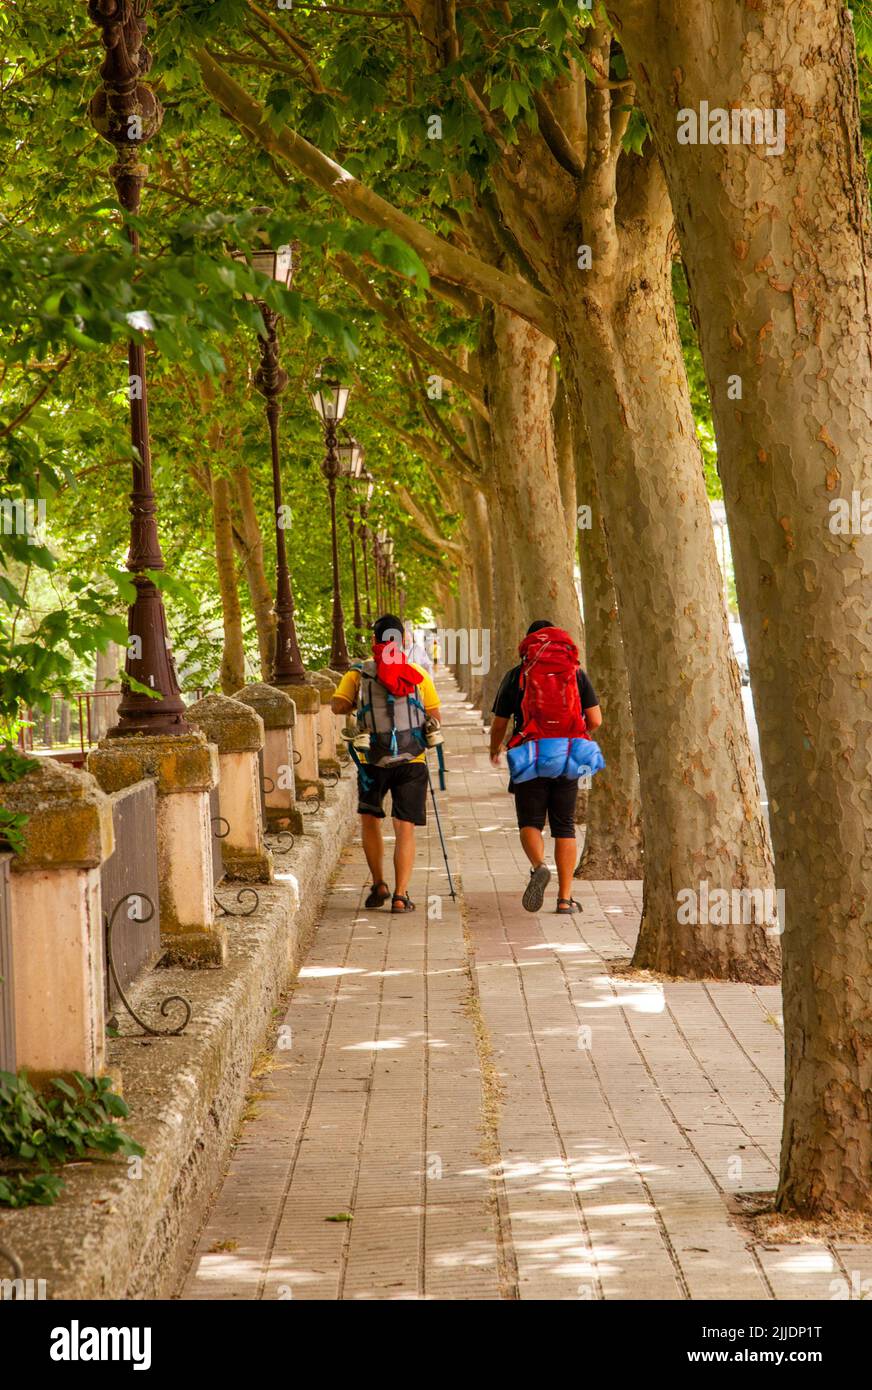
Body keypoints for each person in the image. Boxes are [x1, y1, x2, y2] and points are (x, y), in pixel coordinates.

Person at [489, 619, 602, 914]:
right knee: (564, 825)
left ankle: (539, 866)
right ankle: (565, 899)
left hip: (529, 755)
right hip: (567, 755)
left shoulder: (516, 675)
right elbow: (596, 720)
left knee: (530, 822)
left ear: (528, 645)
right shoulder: (575, 672)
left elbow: (500, 722)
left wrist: (495, 750)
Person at [332, 613, 441, 914]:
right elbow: (434, 717)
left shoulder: (358, 673)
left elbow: (336, 706)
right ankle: (400, 895)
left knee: (371, 821)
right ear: (403, 641)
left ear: (373, 641)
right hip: (412, 759)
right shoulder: (417, 672)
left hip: (372, 759)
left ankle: (379, 883)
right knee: (405, 827)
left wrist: (359, 701)